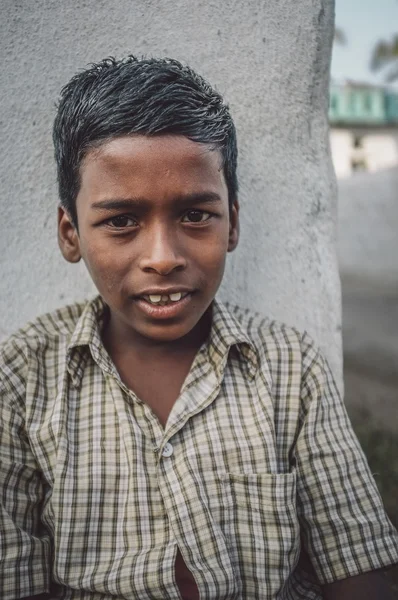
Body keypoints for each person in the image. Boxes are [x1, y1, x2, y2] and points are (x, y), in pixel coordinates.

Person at [0, 56, 397, 600]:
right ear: (71, 234)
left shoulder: (290, 367)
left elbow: (358, 568)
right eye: (121, 221)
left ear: (232, 221)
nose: (162, 258)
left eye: (195, 215)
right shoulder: (22, 380)